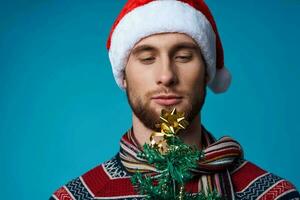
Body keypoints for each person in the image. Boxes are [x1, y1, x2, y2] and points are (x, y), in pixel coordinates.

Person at [50, 0, 299, 199]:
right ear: (123, 76)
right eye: (147, 59)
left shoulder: (272, 195)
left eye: (183, 57)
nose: (166, 76)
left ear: (206, 72)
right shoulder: (77, 197)